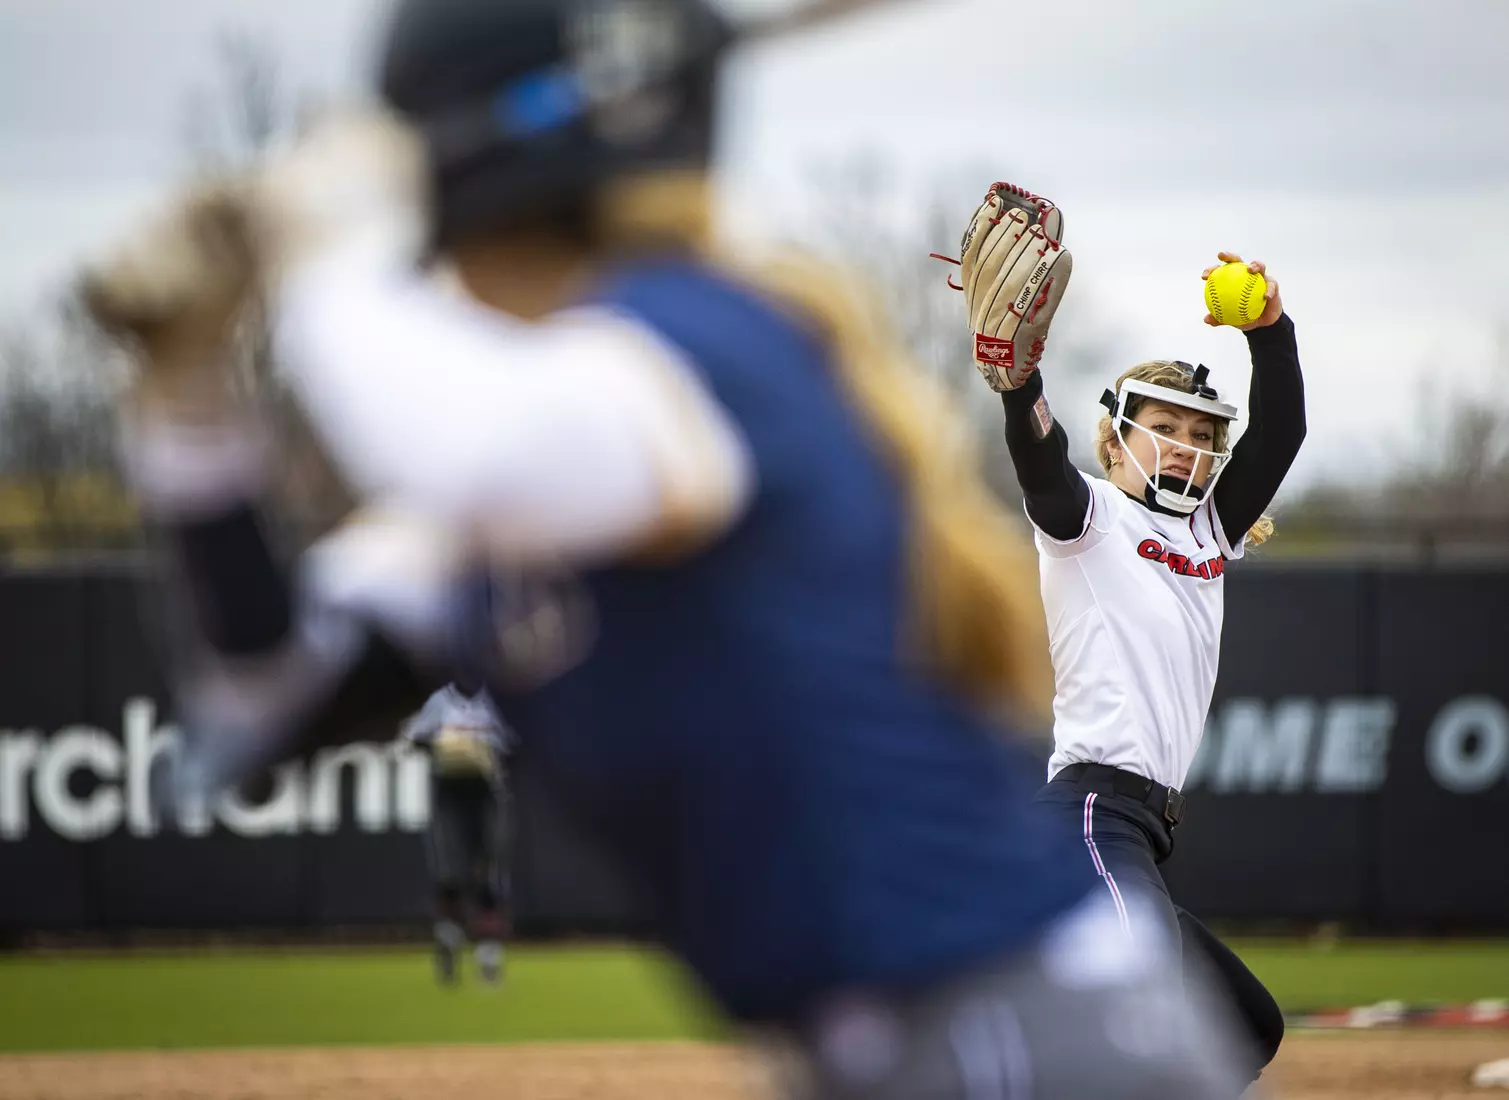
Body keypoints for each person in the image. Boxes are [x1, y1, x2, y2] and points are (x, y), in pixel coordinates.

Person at [80, 2, 1258, 1094]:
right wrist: (184, 403)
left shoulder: (697, 341)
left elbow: (478, 444)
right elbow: (257, 694)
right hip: (920, 1048)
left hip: (1028, 1036)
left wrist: (327, 254)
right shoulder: (541, 473)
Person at [946, 182, 1306, 1089]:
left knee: (1245, 1025)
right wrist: (1017, 381)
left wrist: (1271, 328)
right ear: (1116, 441)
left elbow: (1284, 429)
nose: (1183, 447)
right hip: (1089, 819)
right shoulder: (1090, 517)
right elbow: (1036, 458)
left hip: (1140, 829)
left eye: (1198, 434)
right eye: (1163, 429)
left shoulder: (1209, 532)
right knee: (1132, 1026)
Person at [400, 677, 513, 986]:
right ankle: (448, 939)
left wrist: (484, 750)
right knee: (449, 873)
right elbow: (416, 739)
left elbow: (515, 743)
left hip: (487, 794)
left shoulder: (496, 699)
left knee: (488, 871)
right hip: (449, 794)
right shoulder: (440, 701)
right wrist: (448, 746)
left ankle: (489, 955)